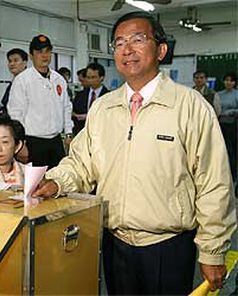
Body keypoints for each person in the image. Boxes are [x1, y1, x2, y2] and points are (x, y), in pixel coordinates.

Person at [33, 12, 236, 295]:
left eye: (138, 39)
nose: (127, 50)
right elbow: (82, 162)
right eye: (119, 43)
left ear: (161, 50)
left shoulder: (189, 106)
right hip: (115, 244)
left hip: (169, 246)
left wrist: (213, 251)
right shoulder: (104, 109)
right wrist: (56, 182)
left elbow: (214, 183)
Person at [7, 34, 73, 169]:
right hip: (32, 142)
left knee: (58, 182)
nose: (44, 55)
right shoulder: (22, 80)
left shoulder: (58, 79)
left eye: (47, 51)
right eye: (39, 52)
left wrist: (69, 133)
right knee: (35, 187)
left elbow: (66, 107)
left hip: (55, 142)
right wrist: (20, 144)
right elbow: (15, 115)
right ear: (31, 56)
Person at [72, 63, 109, 135]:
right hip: (82, 134)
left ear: (102, 78)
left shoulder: (109, 97)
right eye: (88, 77)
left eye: (93, 77)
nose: (90, 80)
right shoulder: (80, 95)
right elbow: (73, 113)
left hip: (101, 135)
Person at [218, 73, 238, 182]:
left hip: (233, 125)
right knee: (223, 150)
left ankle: (234, 176)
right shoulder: (219, 94)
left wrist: (232, 111)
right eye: (226, 80)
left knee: (232, 151)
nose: (228, 83)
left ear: (234, 83)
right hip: (221, 124)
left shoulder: (236, 94)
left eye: (231, 81)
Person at [0, 48, 28, 112]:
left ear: (24, 63)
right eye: (10, 61)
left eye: (16, 60)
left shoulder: (29, 82)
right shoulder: (12, 84)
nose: (12, 64)